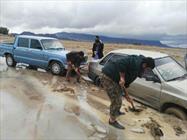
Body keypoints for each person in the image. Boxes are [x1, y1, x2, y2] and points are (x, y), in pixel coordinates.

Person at [101, 55, 155, 129]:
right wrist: (122, 77)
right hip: (108, 76)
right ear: (145, 65)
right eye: (148, 69)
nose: (147, 71)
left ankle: (116, 111)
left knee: (119, 94)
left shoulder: (139, 68)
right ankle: (112, 121)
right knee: (116, 100)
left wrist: (126, 95)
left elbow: (126, 83)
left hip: (116, 80)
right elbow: (121, 63)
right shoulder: (135, 62)